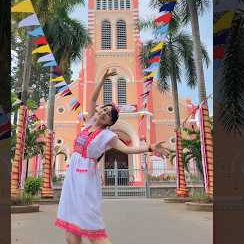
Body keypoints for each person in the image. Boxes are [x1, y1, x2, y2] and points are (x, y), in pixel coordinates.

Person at [54, 69, 168, 244]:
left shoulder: (108, 136)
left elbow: (127, 150)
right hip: (72, 178)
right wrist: (104, 79)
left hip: (86, 178)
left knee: (91, 226)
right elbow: (92, 99)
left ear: (110, 122)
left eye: (108, 114)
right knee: (70, 228)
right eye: (103, 110)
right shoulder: (90, 122)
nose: (103, 113)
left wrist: (151, 147)